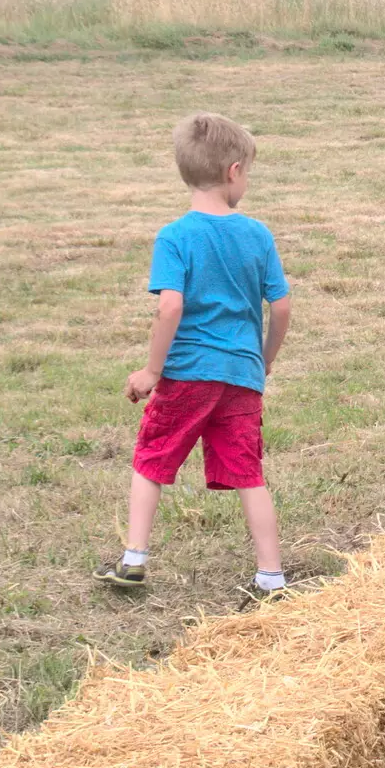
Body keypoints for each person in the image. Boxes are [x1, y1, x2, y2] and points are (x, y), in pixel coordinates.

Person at [95, 113, 292, 601]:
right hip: (241, 375)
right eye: (248, 170)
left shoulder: (175, 236)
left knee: (151, 460)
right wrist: (263, 359)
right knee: (249, 472)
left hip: (187, 375)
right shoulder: (257, 234)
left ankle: (134, 559)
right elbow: (282, 306)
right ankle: (271, 576)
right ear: (233, 172)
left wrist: (151, 370)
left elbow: (171, 306)